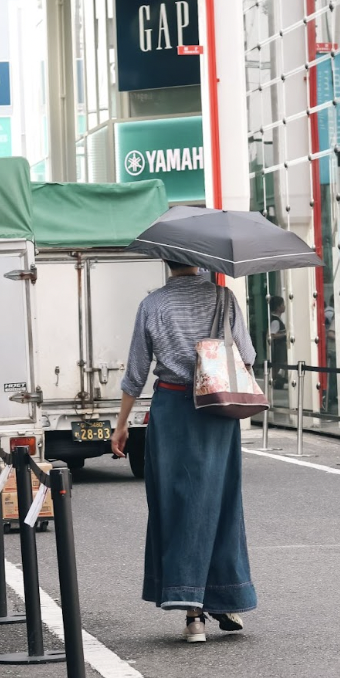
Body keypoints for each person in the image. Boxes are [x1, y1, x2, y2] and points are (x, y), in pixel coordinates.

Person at [112, 262, 258, 644]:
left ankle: (193, 614)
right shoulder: (224, 298)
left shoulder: (153, 304)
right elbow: (248, 354)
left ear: (166, 261)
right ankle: (226, 599)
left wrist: (122, 423)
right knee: (221, 502)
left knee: (176, 503)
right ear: (199, 261)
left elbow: (137, 371)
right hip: (216, 409)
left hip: (173, 410)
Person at [269, 294, 287, 387]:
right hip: (278, 348)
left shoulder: (277, 319)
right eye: (282, 304)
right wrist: (285, 334)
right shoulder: (275, 321)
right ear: (278, 307)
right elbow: (272, 335)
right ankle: (274, 382)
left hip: (280, 348)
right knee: (277, 366)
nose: (284, 306)